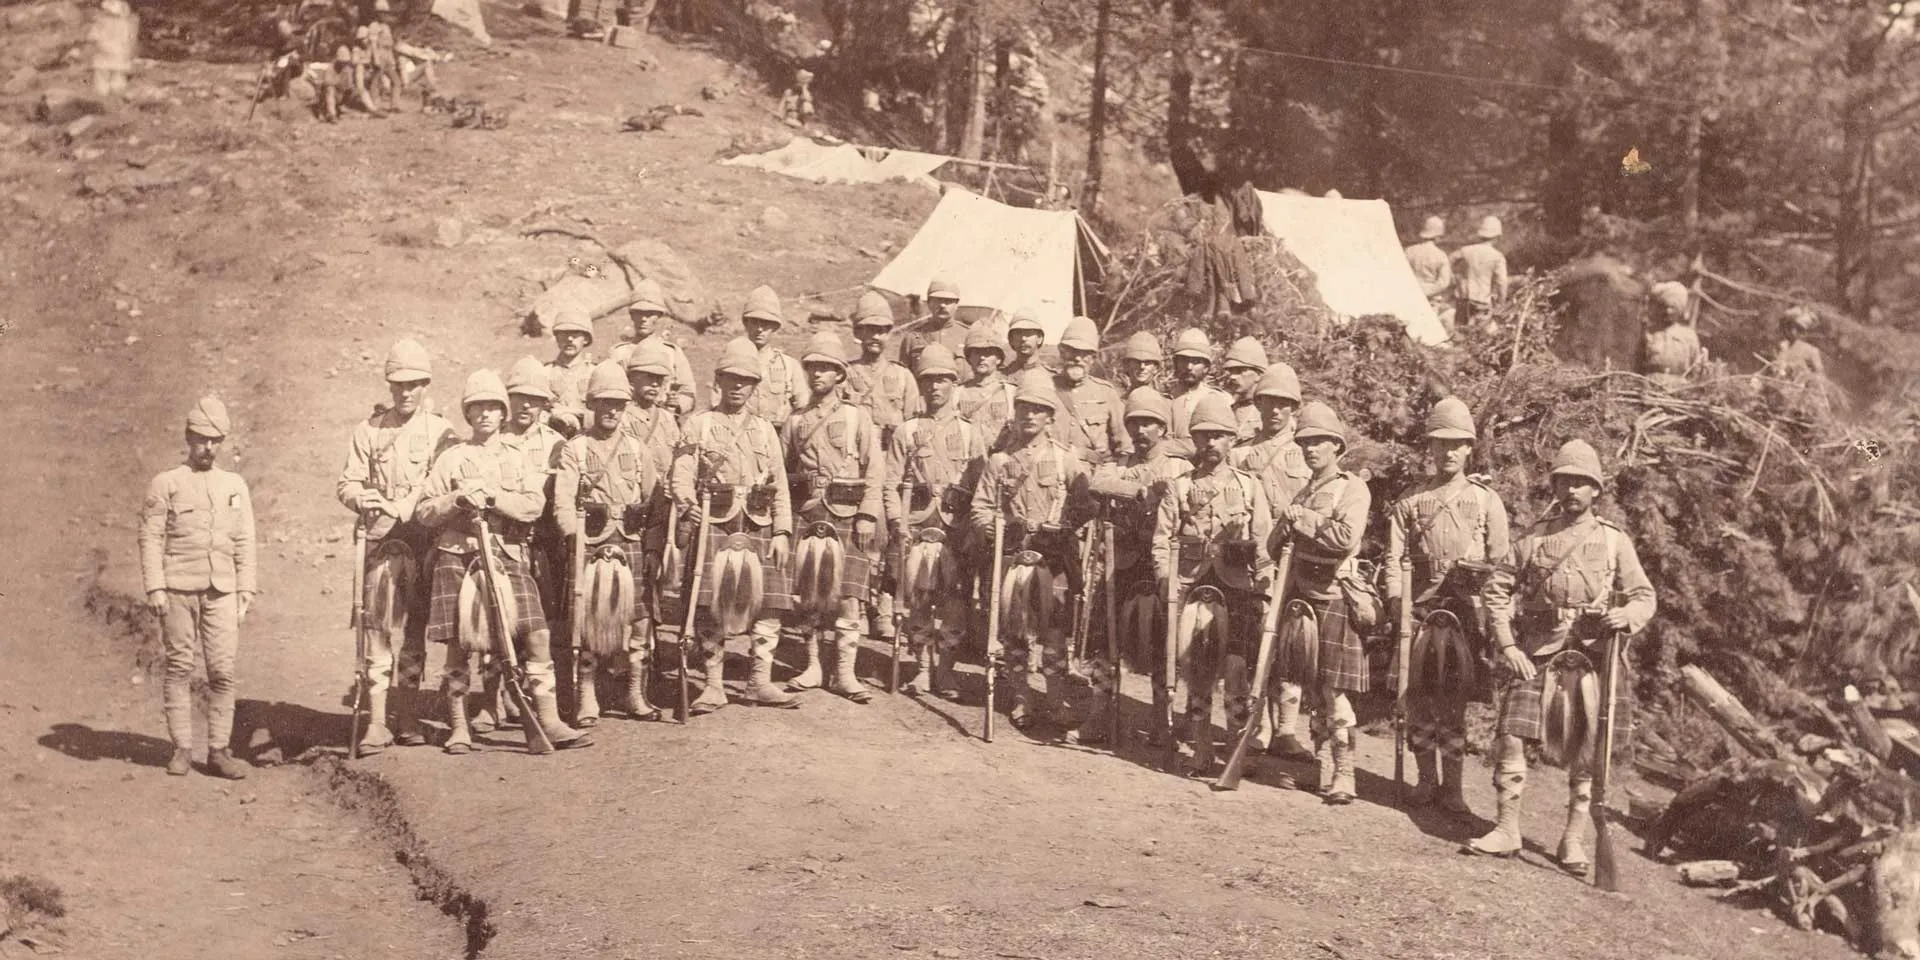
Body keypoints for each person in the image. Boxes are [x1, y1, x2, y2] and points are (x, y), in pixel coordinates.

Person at [1467, 439, 1655, 875]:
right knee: (1512, 733)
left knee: (1587, 751)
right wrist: (1508, 645)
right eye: (1564, 481)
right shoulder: (1533, 540)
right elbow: (1496, 588)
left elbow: (1644, 595)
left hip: (1594, 656)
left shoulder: (1614, 542)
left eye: (1580, 483)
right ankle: (1506, 828)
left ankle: (1573, 839)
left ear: (1596, 491)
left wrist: (1625, 614)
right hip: (1541, 652)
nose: (1571, 490)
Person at [415, 370, 593, 754]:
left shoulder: (516, 456)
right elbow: (424, 511)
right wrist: (456, 501)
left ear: (502, 413)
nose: (484, 414)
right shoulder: (452, 458)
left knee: (538, 634)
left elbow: (534, 505)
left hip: (507, 553)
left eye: (492, 407)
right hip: (458, 556)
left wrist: (494, 498)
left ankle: (548, 719)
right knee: (460, 645)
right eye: (476, 407)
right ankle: (459, 726)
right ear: (468, 413)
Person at [1382, 397, 1511, 814]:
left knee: (1454, 701)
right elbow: (1392, 559)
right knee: (1417, 697)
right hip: (1418, 609)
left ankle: (1453, 789)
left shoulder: (1486, 499)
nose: (1448, 451)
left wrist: (1483, 585)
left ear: (1470, 448)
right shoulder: (1410, 500)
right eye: (1440, 443)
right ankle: (1424, 780)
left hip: (1465, 610)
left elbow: (1504, 563)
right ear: (1430, 448)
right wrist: (1396, 602)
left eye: (1457, 444)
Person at [335, 338, 457, 755]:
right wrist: (361, 498)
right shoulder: (368, 431)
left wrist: (402, 505)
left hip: (424, 538)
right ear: (389, 386)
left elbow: (440, 480)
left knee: (416, 632)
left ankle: (406, 715)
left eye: (414, 384)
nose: (406, 392)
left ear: (426, 385)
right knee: (378, 629)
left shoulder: (441, 431)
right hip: (382, 541)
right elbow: (347, 481)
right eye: (398, 384)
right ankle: (375, 722)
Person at [669, 338, 802, 713]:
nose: (738, 386)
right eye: (731, 378)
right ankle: (713, 685)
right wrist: (687, 504)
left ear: (755, 386)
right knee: (709, 603)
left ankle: (759, 681)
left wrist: (781, 531)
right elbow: (680, 474)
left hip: (758, 524)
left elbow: (779, 484)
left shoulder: (765, 431)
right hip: (715, 522)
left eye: (746, 380)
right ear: (719, 380)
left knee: (772, 603)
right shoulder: (699, 424)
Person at [1154, 394, 1274, 776]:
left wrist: (1265, 591)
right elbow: (1162, 538)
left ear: (1231, 440)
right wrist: (1165, 581)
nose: (1210, 443)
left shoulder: (1250, 487)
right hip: (1191, 585)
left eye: (1219, 436)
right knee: (1197, 672)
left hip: (1237, 588)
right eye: (1203, 435)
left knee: (1237, 672)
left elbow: (1265, 545)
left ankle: (1238, 748)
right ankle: (1201, 747)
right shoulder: (1180, 487)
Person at [969, 369, 1093, 732]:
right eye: (1023, 407)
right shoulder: (999, 461)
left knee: (1054, 634)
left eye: (1038, 409)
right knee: (1015, 632)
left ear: (1050, 417)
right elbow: (979, 507)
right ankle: (1022, 696)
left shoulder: (1064, 459)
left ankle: (1054, 698)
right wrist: (994, 529)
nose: (1030, 415)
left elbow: (1086, 503)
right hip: (1013, 555)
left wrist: (1065, 527)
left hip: (1053, 557)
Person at [140, 397, 257, 779]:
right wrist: (156, 587)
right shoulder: (167, 483)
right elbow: (151, 537)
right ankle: (182, 749)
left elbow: (245, 539)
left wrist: (246, 590)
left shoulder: (233, 485)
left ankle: (219, 751)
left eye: (216, 441)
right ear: (188, 438)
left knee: (222, 672)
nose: (209, 448)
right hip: (177, 591)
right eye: (202, 440)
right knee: (179, 667)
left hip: (222, 592)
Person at [1268, 401, 1371, 804]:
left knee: (1336, 693)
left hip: (1334, 596)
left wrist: (1303, 521)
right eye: (1305, 442)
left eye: (1320, 442)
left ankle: (1345, 774)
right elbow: (1273, 545)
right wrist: (1285, 521)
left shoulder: (1352, 488)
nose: (1311, 449)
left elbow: (1345, 538)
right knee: (1309, 689)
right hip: (1300, 599)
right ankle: (1321, 766)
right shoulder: (1304, 490)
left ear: (1336, 446)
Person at [1074, 388, 1190, 747]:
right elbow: (1098, 483)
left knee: (1163, 646)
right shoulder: (1117, 464)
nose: (1141, 431)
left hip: (1159, 563)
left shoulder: (1179, 467)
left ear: (1163, 429)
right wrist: (1139, 490)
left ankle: (1162, 721)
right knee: (1104, 642)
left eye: (1150, 424)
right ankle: (1100, 715)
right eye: (1135, 423)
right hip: (1120, 561)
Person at [553, 361, 667, 726]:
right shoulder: (576, 449)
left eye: (619, 403)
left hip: (631, 542)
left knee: (639, 623)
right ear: (592, 404)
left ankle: (635, 693)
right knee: (588, 624)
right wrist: (576, 543)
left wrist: (652, 547)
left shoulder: (638, 449)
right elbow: (563, 503)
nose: (612, 411)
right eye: (604, 403)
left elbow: (656, 504)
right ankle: (588, 697)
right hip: (592, 545)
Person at [779, 332, 886, 703]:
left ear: (840, 375)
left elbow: (875, 470)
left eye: (826, 369)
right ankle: (813, 666)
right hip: (809, 513)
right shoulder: (795, 421)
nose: (817, 375)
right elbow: (782, 471)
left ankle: (845, 672)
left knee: (849, 596)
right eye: (812, 368)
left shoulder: (858, 418)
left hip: (849, 513)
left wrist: (869, 513)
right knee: (809, 594)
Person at [886, 344, 989, 698]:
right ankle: (921, 668)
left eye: (942, 380)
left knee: (954, 601)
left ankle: (946, 670)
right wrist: (896, 521)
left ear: (953, 384)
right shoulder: (907, 431)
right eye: (928, 380)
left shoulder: (970, 433)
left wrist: (976, 528)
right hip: (916, 521)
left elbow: (981, 486)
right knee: (918, 597)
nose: (935, 387)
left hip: (956, 526)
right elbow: (891, 481)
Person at [1229, 362, 1312, 759]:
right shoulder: (1240, 452)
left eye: (1283, 404)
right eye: (1268, 403)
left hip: (1296, 557)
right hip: (1254, 557)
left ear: (1294, 407)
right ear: (1257, 404)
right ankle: (1257, 726)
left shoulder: (1307, 449)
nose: (1275, 411)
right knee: (1253, 643)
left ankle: (1287, 730)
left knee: (1290, 644)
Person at [842, 290, 919, 647]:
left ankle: (884, 607)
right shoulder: (845, 374)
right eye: (867, 329)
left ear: (891, 334)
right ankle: (856, 603)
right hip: (857, 467)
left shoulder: (903, 377)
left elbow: (914, 426)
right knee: (861, 534)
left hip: (893, 465)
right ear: (857, 333)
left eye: (882, 330)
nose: (875, 336)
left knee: (891, 538)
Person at [1048, 316, 1130, 466]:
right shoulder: (1046, 389)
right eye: (1072, 351)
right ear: (1061, 352)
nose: (1078, 358)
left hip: (1093, 474)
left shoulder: (1106, 393)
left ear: (1093, 358)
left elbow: (1124, 445)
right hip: (1054, 474)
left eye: (1085, 353)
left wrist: (1117, 471)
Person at [606, 281, 697, 416]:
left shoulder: (672, 352)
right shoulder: (619, 353)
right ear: (631, 315)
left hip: (664, 419)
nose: (643, 319)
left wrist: (676, 405)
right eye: (638, 313)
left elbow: (688, 392)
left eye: (650, 314)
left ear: (659, 316)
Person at [740, 285, 808, 425]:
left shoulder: (789, 366)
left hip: (778, 437)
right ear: (746, 324)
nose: (759, 329)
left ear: (775, 327)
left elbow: (803, 405)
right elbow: (717, 404)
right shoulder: (733, 362)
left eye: (765, 324)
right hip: (742, 436)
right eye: (754, 322)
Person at [619, 341, 686, 478]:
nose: (655, 384)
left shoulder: (667, 418)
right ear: (632, 378)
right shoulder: (621, 415)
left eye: (659, 379)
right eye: (649, 377)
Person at [1165, 328, 1233, 461]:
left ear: (1206, 367)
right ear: (1176, 364)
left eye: (1196, 362)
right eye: (1184, 361)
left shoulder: (1220, 399)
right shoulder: (1165, 399)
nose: (1189, 367)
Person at [954, 323, 1016, 446]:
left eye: (987, 353)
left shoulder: (1010, 392)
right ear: (969, 358)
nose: (982, 357)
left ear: (998, 359)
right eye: (976, 352)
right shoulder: (957, 393)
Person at [543, 311, 598, 436]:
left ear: (586, 339)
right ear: (557, 338)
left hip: (587, 435)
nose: (569, 339)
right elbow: (537, 410)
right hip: (551, 436)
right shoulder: (545, 372)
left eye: (575, 334)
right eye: (564, 334)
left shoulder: (594, 373)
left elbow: (603, 410)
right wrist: (555, 416)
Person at [898, 276, 968, 370]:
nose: (942, 305)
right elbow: (904, 374)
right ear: (929, 303)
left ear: (957, 304)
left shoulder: (967, 335)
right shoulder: (913, 337)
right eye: (937, 300)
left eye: (948, 301)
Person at [1451, 216, 1509, 327]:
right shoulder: (1497, 256)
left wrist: (1453, 277)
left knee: (1460, 332)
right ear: (1497, 237)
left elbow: (1449, 259)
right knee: (1480, 336)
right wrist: (1501, 304)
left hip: (1463, 299)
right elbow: (1502, 283)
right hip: (1482, 302)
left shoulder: (1466, 250)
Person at [1641, 280, 1702, 380]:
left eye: (1672, 308)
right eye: (1665, 306)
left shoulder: (1689, 336)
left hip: (1680, 390)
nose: (1668, 311)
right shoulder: (1649, 333)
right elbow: (1637, 367)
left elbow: (1695, 370)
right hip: (1650, 387)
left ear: (1679, 310)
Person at [1405, 216, 1453, 322]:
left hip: (1411, 296)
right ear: (1437, 236)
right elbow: (1444, 283)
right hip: (1431, 300)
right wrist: (1426, 291)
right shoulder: (1440, 255)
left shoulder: (1409, 251)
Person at [1219, 337, 1268, 441]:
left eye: (1240, 371)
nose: (1232, 376)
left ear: (1258, 374)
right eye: (1231, 371)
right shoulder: (1226, 409)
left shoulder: (1269, 413)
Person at [90, 0, 138, 100]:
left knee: (102, 75)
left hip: (105, 52)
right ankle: (116, 94)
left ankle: (103, 95)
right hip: (119, 53)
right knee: (118, 75)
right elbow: (130, 38)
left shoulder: (102, 21)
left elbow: (93, 36)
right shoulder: (127, 22)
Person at [1774, 307, 1826, 384]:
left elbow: (1820, 377)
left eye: (1799, 329)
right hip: (1777, 385)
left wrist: (1802, 374)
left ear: (1806, 332)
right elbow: (1775, 367)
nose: (1793, 331)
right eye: (1792, 326)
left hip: (1798, 389)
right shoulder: (1782, 346)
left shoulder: (1812, 351)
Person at [1001, 308, 1052, 379]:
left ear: (1040, 338)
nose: (1023, 338)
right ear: (1011, 339)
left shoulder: (1051, 378)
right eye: (1018, 333)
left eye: (1028, 332)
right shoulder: (1000, 377)